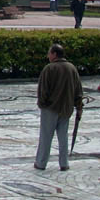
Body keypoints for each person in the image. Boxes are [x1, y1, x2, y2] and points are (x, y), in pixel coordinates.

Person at [34, 43, 83, 171]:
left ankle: (41, 162)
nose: (48, 55)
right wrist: (78, 106)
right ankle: (64, 163)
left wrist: (42, 104)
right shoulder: (72, 68)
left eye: (49, 53)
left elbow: (43, 90)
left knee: (46, 136)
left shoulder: (49, 69)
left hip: (50, 108)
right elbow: (78, 89)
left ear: (54, 54)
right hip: (66, 108)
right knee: (63, 137)